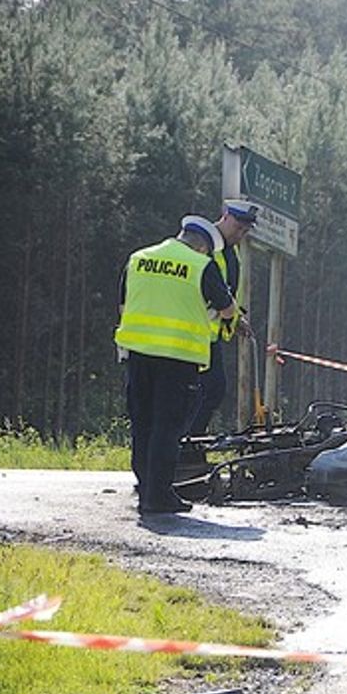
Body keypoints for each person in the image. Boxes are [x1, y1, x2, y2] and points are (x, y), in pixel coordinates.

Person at [116, 215, 237, 515]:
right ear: (203, 247)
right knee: (167, 427)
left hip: (138, 355)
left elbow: (122, 304)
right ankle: (158, 496)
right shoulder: (201, 265)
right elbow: (226, 308)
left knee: (142, 423)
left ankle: (146, 487)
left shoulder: (139, 258)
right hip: (178, 359)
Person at [185, 199, 258, 437]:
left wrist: (235, 319)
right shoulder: (202, 245)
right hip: (191, 331)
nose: (240, 234)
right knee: (207, 390)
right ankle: (186, 445)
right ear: (225, 216)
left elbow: (225, 291)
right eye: (238, 227)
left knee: (211, 390)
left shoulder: (230, 252)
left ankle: (189, 442)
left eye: (245, 231)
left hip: (209, 333)